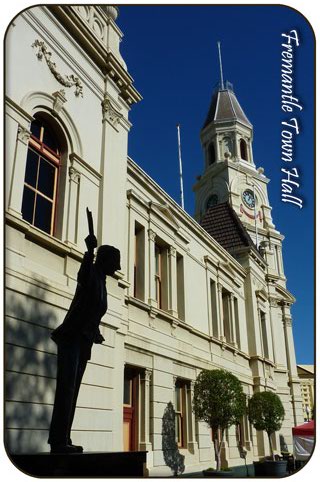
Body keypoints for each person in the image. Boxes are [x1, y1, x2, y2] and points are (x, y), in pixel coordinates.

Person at [48, 234, 121, 453]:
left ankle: (64, 438)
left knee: (74, 389)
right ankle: (57, 441)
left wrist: (95, 331)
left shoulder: (101, 281)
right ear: (105, 260)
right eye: (115, 261)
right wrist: (89, 252)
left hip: (84, 341)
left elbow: (92, 310)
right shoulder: (91, 274)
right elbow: (82, 275)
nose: (118, 266)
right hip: (72, 338)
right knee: (66, 388)